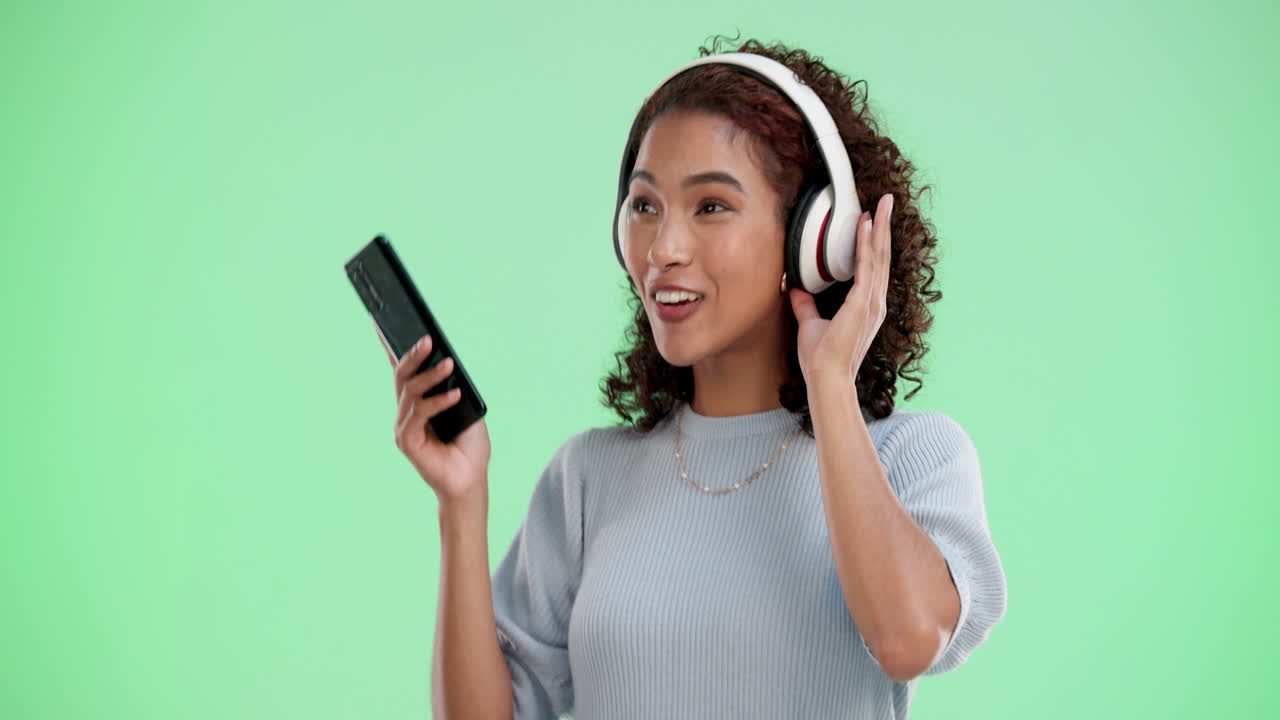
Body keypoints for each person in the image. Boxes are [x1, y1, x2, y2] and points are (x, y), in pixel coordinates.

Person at [383, 34, 1008, 720]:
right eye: (644, 206)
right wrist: (461, 503)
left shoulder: (911, 456)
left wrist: (830, 385)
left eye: (711, 206)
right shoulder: (588, 478)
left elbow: (907, 639)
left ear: (813, 237)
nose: (664, 249)